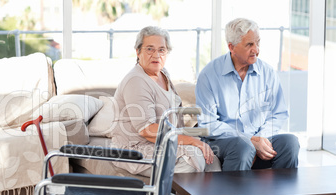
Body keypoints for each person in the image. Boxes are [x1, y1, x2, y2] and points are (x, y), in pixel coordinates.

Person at [111, 26, 221, 176]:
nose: (156, 55)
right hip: (137, 148)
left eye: (161, 50)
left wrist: (193, 139)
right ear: (138, 51)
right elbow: (147, 129)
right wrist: (190, 141)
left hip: (162, 142)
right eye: (150, 49)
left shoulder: (163, 73)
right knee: (192, 163)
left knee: (212, 160)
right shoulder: (136, 81)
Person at [195, 18, 299, 171]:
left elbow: (278, 113)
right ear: (232, 47)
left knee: (290, 143)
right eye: (250, 44)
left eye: (257, 42)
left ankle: (277, 194)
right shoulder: (209, 75)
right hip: (225, 141)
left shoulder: (267, 72)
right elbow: (208, 123)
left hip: (259, 136)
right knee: (243, 147)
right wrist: (249, 140)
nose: (256, 49)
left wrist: (261, 139)